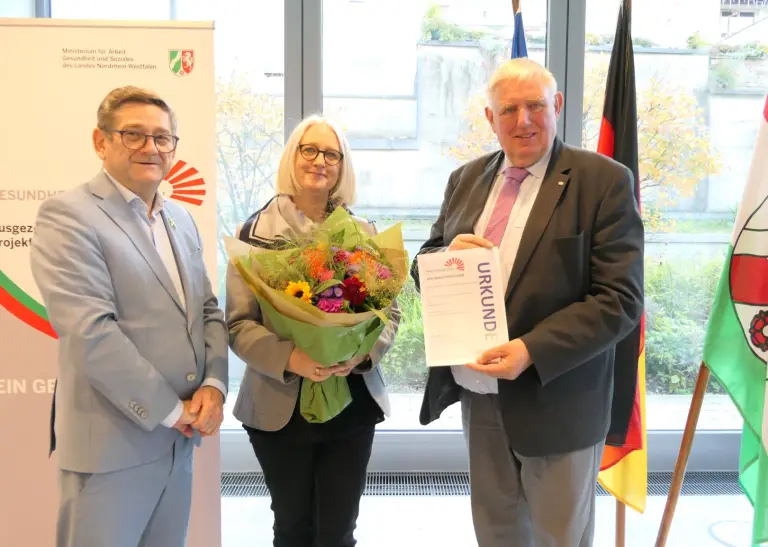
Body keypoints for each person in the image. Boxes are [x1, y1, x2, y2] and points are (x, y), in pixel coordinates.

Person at [411, 58, 644, 547]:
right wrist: (444, 258)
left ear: (556, 106)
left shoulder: (603, 181)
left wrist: (531, 350)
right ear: (489, 119)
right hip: (478, 395)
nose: (524, 121)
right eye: (510, 109)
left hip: (558, 399)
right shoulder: (466, 178)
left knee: (559, 537)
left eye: (535, 105)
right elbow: (426, 261)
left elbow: (619, 299)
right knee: (495, 533)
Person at [30, 86, 228, 547]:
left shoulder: (180, 218)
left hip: (179, 443)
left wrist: (214, 385)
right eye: (134, 135)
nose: (151, 148)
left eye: (163, 138)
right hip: (113, 448)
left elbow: (206, 311)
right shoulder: (69, 216)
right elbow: (90, 333)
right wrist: (170, 409)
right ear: (101, 142)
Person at [226, 114, 399, 547]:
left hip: (352, 399)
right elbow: (238, 324)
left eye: (331, 154)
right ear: (292, 155)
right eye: (310, 149)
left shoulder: (362, 233)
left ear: (342, 166)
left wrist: (362, 353)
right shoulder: (252, 235)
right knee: (292, 527)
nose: (320, 161)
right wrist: (290, 358)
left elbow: (388, 313)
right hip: (278, 404)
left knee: (339, 531)